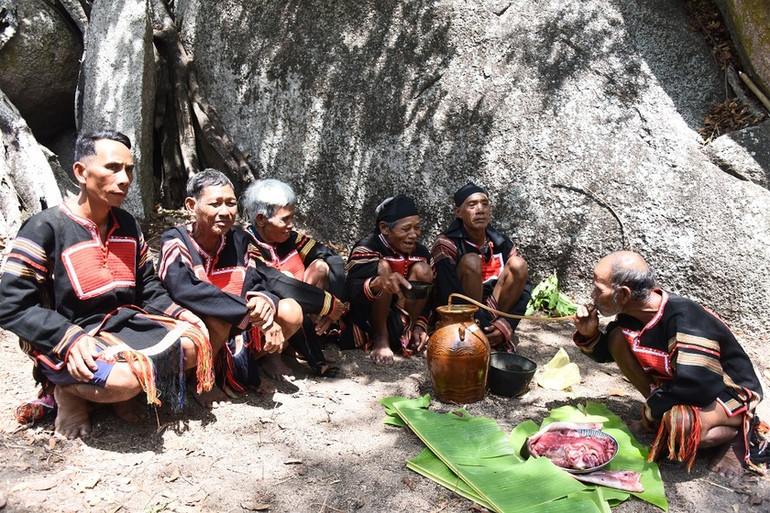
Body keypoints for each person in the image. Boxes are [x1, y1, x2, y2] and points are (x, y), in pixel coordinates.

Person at [0, 131, 213, 439]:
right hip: (69, 332)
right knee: (124, 382)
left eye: (128, 169)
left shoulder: (127, 224)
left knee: (193, 346)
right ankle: (68, 393)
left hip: (122, 325)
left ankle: (117, 393)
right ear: (80, 172)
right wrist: (67, 336)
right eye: (113, 167)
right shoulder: (44, 228)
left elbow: (147, 285)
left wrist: (178, 312)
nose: (124, 178)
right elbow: (11, 304)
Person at [573, 251, 764, 475]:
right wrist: (589, 333)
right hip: (686, 383)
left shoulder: (685, 319)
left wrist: (650, 414)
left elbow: (699, 386)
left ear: (623, 294)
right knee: (617, 338)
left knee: (681, 425)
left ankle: (736, 431)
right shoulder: (632, 317)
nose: (593, 294)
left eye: (599, 288)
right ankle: (658, 412)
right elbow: (608, 353)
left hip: (726, 391)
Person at [157, 169, 304, 405]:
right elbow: (184, 290)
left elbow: (256, 281)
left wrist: (262, 302)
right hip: (196, 325)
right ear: (190, 205)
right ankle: (201, 378)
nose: (225, 212)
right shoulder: (175, 240)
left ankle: (250, 363)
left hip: (236, 322)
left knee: (291, 311)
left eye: (231, 203)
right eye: (215, 204)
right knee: (217, 320)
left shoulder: (239, 240)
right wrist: (249, 314)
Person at [242, 178, 347, 378]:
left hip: (298, 310)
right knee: (285, 281)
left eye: (292, 218)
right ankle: (271, 356)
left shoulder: (290, 238)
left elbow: (332, 258)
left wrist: (334, 304)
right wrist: (328, 304)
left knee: (321, 267)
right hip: (263, 319)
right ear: (261, 219)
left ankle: (299, 345)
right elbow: (275, 282)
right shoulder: (246, 245)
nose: (291, 225)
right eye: (285, 219)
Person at [431, 182, 532, 353]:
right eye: (472, 205)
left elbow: (526, 287)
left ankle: (493, 332)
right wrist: (483, 326)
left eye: (485, 204)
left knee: (519, 264)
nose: (480, 210)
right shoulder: (446, 243)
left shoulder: (501, 242)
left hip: (497, 309)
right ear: (458, 212)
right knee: (471, 260)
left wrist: (507, 325)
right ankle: (479, 335)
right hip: (463, 314)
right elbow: (449, 292)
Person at [341, 194, 434, 365]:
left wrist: (420, 326)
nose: (414, 235)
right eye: (406, 229)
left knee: (424, 270)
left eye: (417, 228)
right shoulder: (367, 247)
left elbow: (429, 296)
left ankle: (408, 336)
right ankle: (381, 339)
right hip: (368, 320)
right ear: (384, 228)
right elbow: (352, 291)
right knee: (383, 268)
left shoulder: (420, 252)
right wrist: (379, 282)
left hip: (402, 318)